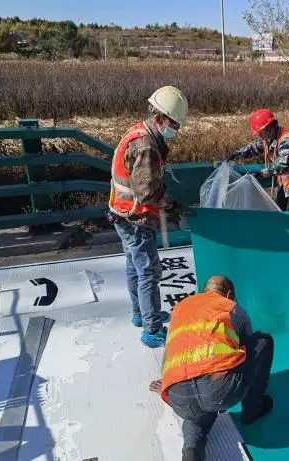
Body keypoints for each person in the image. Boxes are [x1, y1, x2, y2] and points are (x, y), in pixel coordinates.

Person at [149, 275, 275, 461]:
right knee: (263, 341)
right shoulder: (231, 307)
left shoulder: (180, 308)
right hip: (217, 388)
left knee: (196, 416)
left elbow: (170, 349)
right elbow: (248, 350)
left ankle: (191, 450)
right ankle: (252, 410)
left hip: (177, 395)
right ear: (229, 294)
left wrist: (168, 385)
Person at [107, 85, 193, 348]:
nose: (176, 129)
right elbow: (147, 192)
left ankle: (141, 314)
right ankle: (152, 329)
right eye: (174, 124)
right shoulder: (146, 146)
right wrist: (173, 206)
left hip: (121, 213)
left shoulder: (140, 132)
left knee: (134, 267)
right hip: (136, 218)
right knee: (148, 272)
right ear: (160, 118)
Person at [224, 108, 289, 211]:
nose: (260, 136)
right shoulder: (268, 139)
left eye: (261, 132)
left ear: (270, 128)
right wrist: (236, 154)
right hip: (286, 184)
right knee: (279, 213)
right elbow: (253, 149)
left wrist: (261, 173)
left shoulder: (287, 142)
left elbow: (282, 167)